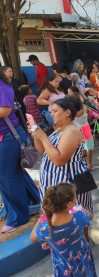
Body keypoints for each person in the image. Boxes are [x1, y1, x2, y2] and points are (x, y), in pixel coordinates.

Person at [31, 97, 94, 243]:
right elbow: (42, 149)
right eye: (51, 111)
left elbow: (59, 160)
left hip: (69, 182)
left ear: (67, 112)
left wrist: (43, 137)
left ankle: (82, 242)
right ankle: (68, 241)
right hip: (55, 182)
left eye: (54, 111)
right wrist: (36, 134)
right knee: (61, 214)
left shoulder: (71, 131)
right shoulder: (60, 130)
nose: (51, 114)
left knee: (76, 212)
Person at [0, 71, 40, 233]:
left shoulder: (2, 86)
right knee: (15, 173)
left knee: (6, 177)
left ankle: (18, 217)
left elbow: (4, 110)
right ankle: (34, 200)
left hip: (9, 138)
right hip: (9, 136)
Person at [30, 182, 96, 276]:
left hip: (62, 263)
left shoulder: (44, 228)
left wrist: (40, 221)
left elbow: (32, 238)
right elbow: (90, 216)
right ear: (68, 204)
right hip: (82, 258)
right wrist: (79, 208)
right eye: (75, 199)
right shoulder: (79, 216)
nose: (75, 201)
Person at [65, 93, 94, 171]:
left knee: (77, 148)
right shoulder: (85, 108)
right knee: (88, 149)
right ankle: (90, 164)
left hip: (76, 131)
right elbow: (89, 117)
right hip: (86, 130)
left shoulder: (71, 112)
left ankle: (78, 164)